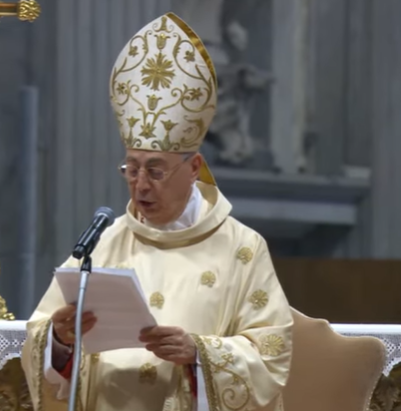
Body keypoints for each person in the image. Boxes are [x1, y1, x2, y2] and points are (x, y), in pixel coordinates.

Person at [21, 12, 292, 411]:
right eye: (131, 169)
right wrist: (60, 339)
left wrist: (198, 353)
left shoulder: (242, 248)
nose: (141, 184)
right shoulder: (104, 243)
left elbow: (271, 352)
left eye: (155, 170)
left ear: (194, 168)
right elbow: (40, 336)